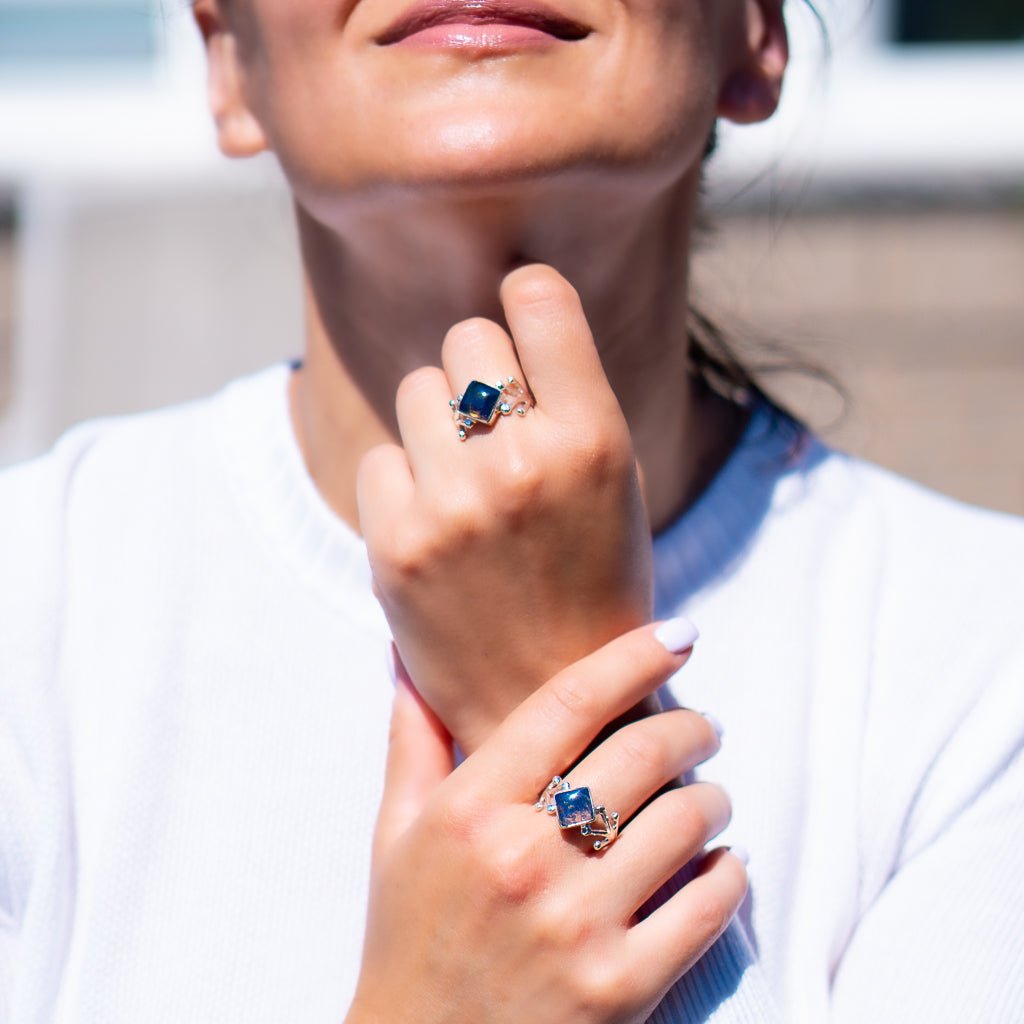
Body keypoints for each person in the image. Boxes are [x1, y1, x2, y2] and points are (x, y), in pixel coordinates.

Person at [1, 0, 1022, 1020]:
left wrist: (548, 687)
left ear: (751, 37)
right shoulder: (28, 609)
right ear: (228, 60)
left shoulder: (987, 672)